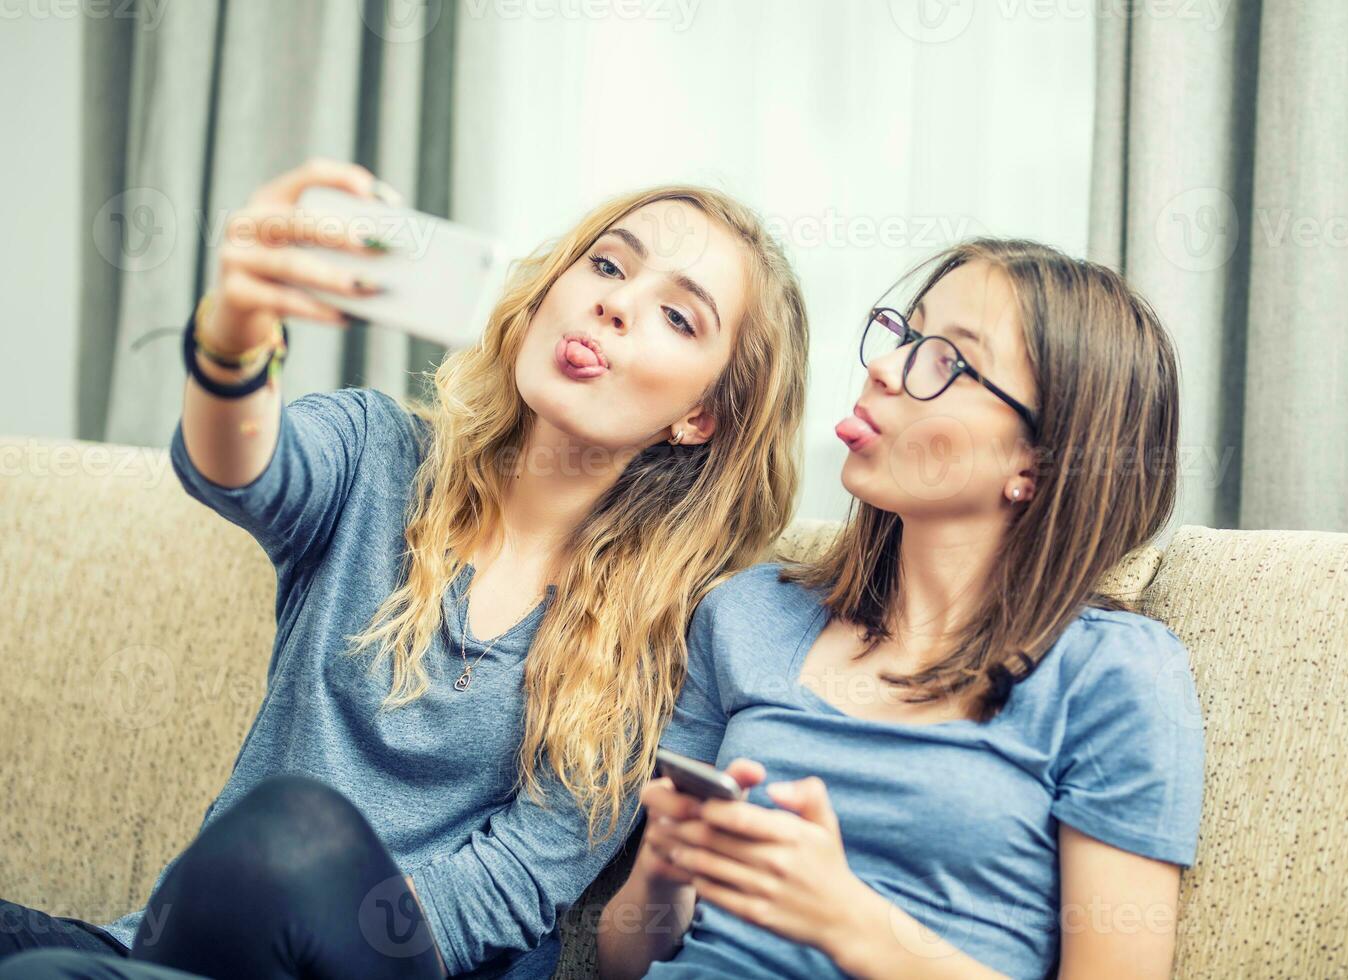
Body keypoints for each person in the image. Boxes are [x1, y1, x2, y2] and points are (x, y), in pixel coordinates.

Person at [0, 157, 808, 979]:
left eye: (677, 315)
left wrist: (313, 906)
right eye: (606, 264)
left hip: (397, 962)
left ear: (700, 417)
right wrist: (237, 324)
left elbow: (518, 881)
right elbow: (235, 466)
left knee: (292, 835)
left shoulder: (663, 627)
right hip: (182, 947)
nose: (616, 302)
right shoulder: (374, 453)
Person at [599, 238, 1205, 979]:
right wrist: (663, 872)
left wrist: (847, 920)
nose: (884, 368)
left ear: (1037, 463)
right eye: (906, 335)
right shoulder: (748, 613)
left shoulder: (1113, 674)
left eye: (947, 360)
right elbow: (625, 961)